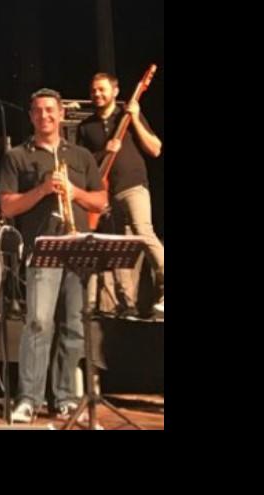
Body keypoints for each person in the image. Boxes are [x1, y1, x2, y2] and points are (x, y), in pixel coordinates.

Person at [0, 88, 107, 424]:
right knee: (39, 323)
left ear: (61, 114)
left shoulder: (81, 155)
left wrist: (74, 192)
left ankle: (65, 398)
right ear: (31, 116)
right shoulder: (17, 156)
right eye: (38, 111)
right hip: (42, 248)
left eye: (50, 110)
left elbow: (101, 201)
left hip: (78, 248)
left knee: (74, 326)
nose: (44, 115)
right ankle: (29, 398)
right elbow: (7, 206)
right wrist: (43, 189)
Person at [76, 72, 165, 317]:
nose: (97, 94)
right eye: (94, 90)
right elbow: (81, 166)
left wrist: (134, 118)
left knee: (143, 231)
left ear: (115, 92)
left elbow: (155, 149)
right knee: (119, 248)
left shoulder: (127, 114)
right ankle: (127, 305)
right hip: (106, 193)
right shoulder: (86, 127)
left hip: (133, 185)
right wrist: (103, 153)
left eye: (102, 89)